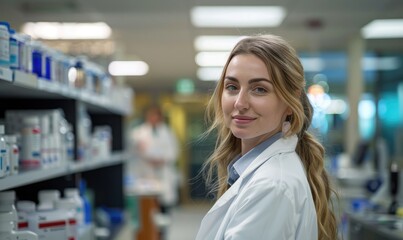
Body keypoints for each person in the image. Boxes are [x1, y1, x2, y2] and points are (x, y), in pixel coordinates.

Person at [195, 35, 338, 240]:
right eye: (232, 87)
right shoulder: (261, 173)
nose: (240, 103)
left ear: (290, 102)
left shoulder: (271, 187)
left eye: (259, 89)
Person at [131, 105, 179, 213]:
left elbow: (174, 152)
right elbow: (135, 151)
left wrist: (162, 159)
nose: (153, 118)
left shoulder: (167, 132)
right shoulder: (139, 133)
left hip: (163, 171)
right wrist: (147, 157)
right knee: (148, 207)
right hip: (146, 172)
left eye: (156, 115)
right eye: (151, 115)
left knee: (164, 207)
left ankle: (162, 229)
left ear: (160, 117)